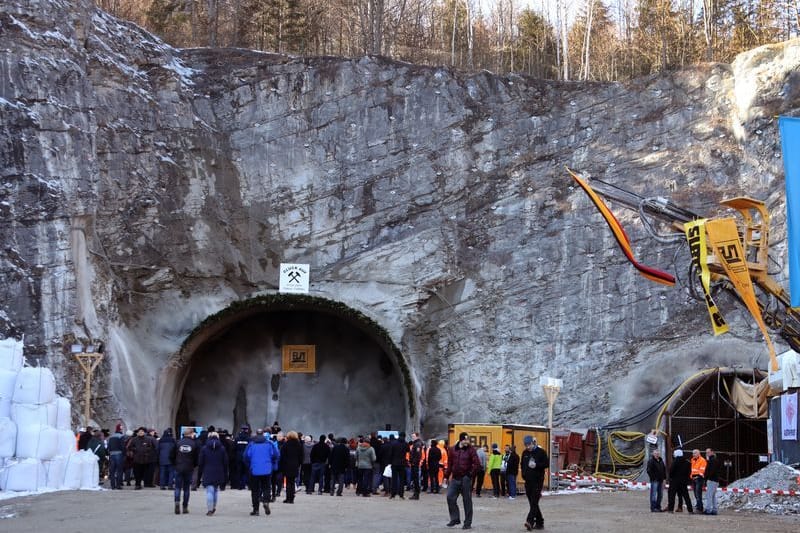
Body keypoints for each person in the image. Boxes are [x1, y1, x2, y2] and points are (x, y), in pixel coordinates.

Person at [444, 431, 481, 530]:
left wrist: (470, 474)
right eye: (465, 439)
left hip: (465, 479)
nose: (467, 441)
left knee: (467, 501)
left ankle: (467, 523)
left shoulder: (471, 450)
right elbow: (450, 464)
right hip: (455, 478)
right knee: (450, 497)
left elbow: (477, 464)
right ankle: (455, 518)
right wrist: (446, 476)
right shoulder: (452, 450)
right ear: (461, 440)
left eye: (468, 439)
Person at [243, 428, 279, 516]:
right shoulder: (269, 444)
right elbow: (276, 455)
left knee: (255, 490)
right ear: (263, 434)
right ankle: (266, 501)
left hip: (254, 470)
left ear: (256, 434)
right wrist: (272, 463)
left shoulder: (251, 444)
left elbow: (245, 456)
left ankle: (256, 510)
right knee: (266, 487)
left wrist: (249, 466)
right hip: (266, 469)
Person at [198, 431, 229, 516]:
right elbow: (225, 462)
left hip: (207, 470)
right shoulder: (222, 448)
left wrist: (201, 471)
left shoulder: (204, 448)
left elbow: (200, 462)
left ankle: (209, 509)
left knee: (209, 491)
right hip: (219, 471)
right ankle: (214, 506)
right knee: (215, 490)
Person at [521, 435, 548, 531]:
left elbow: (546, 464)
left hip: (537, 481)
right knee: (533, 503)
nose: (528, 447)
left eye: (529, 444)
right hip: (528, 481)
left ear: (534, 443)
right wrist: (523, 474)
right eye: (526, 445)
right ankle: (540, 522)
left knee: (534, 501)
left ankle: (530, 521)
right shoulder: (525, 453)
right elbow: (522, 464)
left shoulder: (541, 452)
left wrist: (536, 465)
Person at [172, 427, 199, 514]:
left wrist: (175, 464)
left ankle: (176, 502)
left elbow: (171, 455)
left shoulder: (177, 442)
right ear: (191, 434)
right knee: (186, 488)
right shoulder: (194, 444)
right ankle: (185, 506)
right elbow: (196, 457)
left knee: (177, 487)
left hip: (178, 467)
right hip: (189, 467)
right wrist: (194, 465)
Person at [279, 431, 303, 503]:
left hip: (287, 465)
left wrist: (282, 465)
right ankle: (292, 498)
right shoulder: (299, 445)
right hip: (295, 465)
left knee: (288, 482)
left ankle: (288, 498)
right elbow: (301, 456)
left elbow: (282, 456)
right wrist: (299, 464)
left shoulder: (285, 445)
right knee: (292, 482)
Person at [667, 449, 693, 513]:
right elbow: (689, 472)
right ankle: (690, 510)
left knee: (672, 495)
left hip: (675, 481)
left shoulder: (675, 461)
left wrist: (671, 477)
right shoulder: (687, 462)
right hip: (683, 481)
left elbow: (671, 470)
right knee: (686, 496)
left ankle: (670, 509)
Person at [703, 448, 719, 515]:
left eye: (708, 452)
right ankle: (714, 510)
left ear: (712, 452)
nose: (707, 454)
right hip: (714, 480)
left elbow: (711, 471)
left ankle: (708, 510)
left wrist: (706, 477)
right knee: (713, 496)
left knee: (709, 495)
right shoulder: (713, 460)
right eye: (706, 452)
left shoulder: (712, 460)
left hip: (712, 480)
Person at [690, 448, 706, 513]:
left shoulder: (702, 460)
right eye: (693, 453)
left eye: (695, 453)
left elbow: (702, 470)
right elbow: (692, 469)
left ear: (699, 453)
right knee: (696, 494)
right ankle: (698, 507)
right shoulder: (692, 460)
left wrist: (697, 477)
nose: (693, 454)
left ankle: (700, 509)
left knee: (698, 494)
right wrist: (691, 476)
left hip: (699, 479)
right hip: (693, 478)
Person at [408, 432, 424, 499]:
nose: (412, 438)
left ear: (417, 436)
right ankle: (416, 493)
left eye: (413, 436)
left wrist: (414, 462)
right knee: (415, 479)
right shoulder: (416, 443)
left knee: (416, 479)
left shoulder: (417, 444)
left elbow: (418, 455)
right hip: (414, 463)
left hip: (415, 464)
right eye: (412, 436)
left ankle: (416, 494)